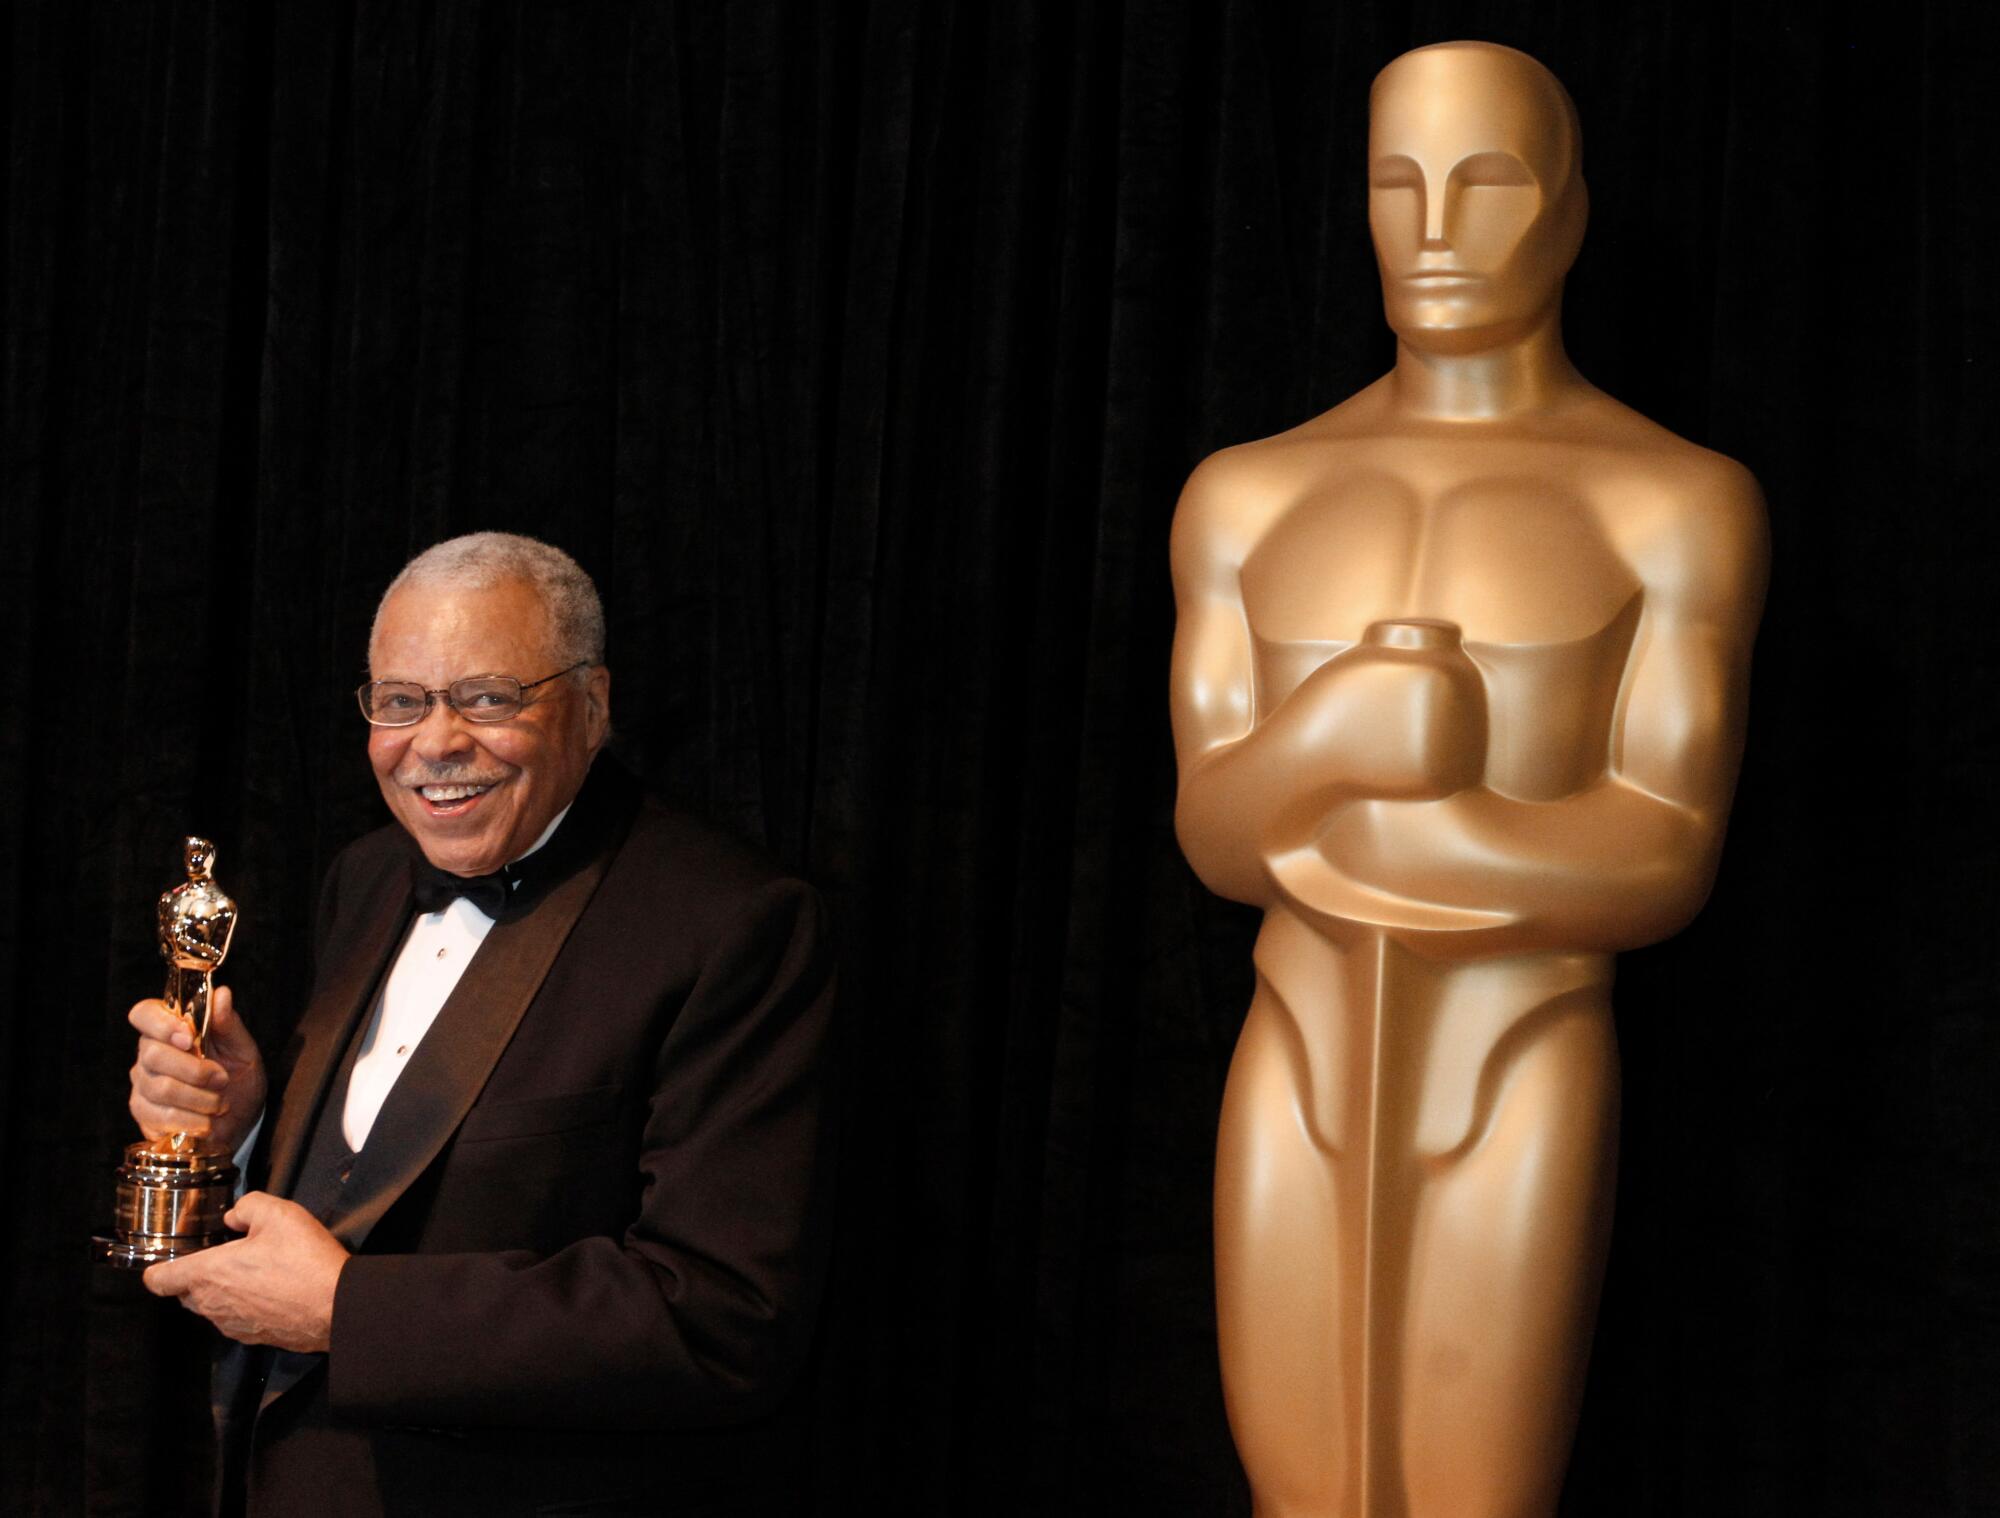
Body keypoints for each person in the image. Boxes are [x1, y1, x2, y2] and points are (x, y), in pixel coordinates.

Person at [1169, 42, 1766, 1517]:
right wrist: (1333, 740)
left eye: (1488, 181)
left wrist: (1418, 826)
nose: (1435, 228)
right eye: (1397, 183)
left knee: (1476, 1487)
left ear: (1566, 211)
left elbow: (1665, 857)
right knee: (1296, 1483)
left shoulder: (1670, 501)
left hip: (1523, 1043)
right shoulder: (1249, 492)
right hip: (1295, 1040)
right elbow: (1214, 833)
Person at [128, 532, 837, 1516]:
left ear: (592, 705)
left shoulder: (732, 922)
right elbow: (369, 1178)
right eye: (401, 700)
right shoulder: (367, 875)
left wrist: (347, 1313)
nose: (436, 742)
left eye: (489, 698)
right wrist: (248, 1127)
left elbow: (720, 1316)